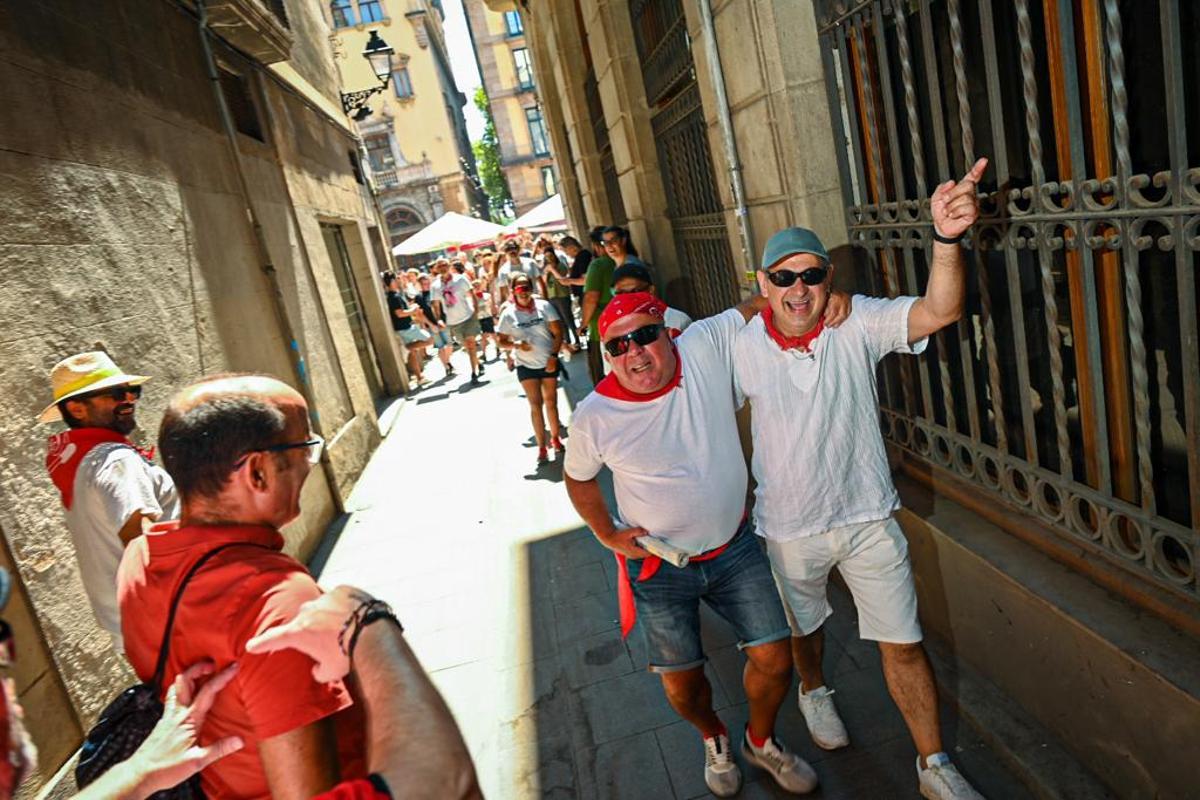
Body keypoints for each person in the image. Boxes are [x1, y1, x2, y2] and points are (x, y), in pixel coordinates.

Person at [734, 159, 989, 800]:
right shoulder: (737, 341)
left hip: (868, 517)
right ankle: (815, 690)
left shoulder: (857, 323)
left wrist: (947, 239)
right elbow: (665, 356)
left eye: (813, 276)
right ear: (763, 283)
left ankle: (934, 767)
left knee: (903, 644)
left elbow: (939, 311)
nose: (800, 290)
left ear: (830, 281)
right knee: (804, 631)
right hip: (789, 528)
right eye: (784, 278)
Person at [563, 290, 851, 797]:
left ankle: (759, 741)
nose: (635, 352)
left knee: (775, 659)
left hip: (734, 549)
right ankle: (712, 736)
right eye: (618, 345)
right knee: (681, 682)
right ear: (607, 355)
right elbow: (579, 480)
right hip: (658, 566)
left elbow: (761, 301)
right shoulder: (595, 415)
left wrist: (824, 296)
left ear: (668, 333)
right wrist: (606, 532)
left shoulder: (700, 345)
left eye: (645, 335)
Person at [117, 374, 366, 799]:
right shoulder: (276, 599)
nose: (310, 461)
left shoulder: (139, 558)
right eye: (305, 446)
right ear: (257, 472)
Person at [77, 586, 481, 800]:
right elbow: (443, 780)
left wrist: (138, 774)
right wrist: (366, 624)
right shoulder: (272, 597)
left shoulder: (139, 558)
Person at [39, 351, 179, 652]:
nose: (129, 399)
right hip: (171, 623)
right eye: (117, 393)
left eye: (132, 391)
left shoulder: (81, 462)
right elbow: (143, 545)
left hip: (137, 629)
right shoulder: (117, 461)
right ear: (77, 409)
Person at [496, 274, 565, 464]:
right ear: (513, 291)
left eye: (526, 287)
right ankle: (542, 447)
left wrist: (553, 356)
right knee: (535, 405)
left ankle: (556, 439)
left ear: (531, 288)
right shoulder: (508, 314)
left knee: (551, 402)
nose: (523, 292)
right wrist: (516, 345)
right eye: (519, 288)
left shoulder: (544, 306)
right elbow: (500, 341)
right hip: (525, 365)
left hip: (547, 361)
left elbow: (558, 333)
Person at [610, 262, 692, 334]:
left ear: (650, 290)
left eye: (634, 291)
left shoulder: (678, 321)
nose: (627, 298)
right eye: (620, 293)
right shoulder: (611, 331)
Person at [579, 227, 615, 384]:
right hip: (625, 323)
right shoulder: (627, 260)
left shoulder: (598, 265)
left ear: (596, 245)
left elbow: (591, 297)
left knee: (602, 376)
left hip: (601, 328)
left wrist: (583, 324)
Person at [383, 272, 431, 387]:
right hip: (405, 328)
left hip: (405, 327)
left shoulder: (396, 295)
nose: (399, 281)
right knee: (430, 340)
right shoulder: (394, 297)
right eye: (396, 280)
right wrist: (413, 310)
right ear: (392, 282)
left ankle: (420, 378)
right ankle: (407, 347)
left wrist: (411, 311)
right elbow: (399, 314)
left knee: (413, 353)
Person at [440, 263, 483, 384]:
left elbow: (471, 294)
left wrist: (476, 311)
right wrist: (439, 319)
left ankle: (473, 373)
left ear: (449, 267)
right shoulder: (436, 285)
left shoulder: (460, 279)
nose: (442, 268)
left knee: (470, 344)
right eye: (439, 266)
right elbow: (435, 304)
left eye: (444, 265)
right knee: (467, 347)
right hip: (453, 322)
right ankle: (478, 363)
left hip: (468, 317)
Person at [537, 238, 581, 351]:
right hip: (552, 297)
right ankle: (568, 342)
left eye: (550, 256)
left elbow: (562, 278)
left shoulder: (561, 265)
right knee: (560, 322)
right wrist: (547, 272)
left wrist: (552, 269)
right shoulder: (546, 268)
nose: (549, 259)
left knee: (568, 319)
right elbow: (544, 282)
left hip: (562, 295)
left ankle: (577, 340)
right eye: (546, 257)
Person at [417, 272, 454, 378]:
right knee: (440, 346)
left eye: (427, 283)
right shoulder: (419, 297)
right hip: (431, 325)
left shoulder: (436, 291)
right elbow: (420, 314)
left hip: (442, 321)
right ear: (420, 284)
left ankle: (447, 362)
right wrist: (430, 324)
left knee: (449, 344)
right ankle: (447, 367)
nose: (426, 285)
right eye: (423, 283)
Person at [472, 278, 498, 361]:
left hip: (487, 317)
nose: (477, 287)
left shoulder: (487, 295)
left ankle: (492, 350)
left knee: (491, 335)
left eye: (478, 285)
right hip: (479, 318)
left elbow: (491, 305)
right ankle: (486, 353)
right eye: (475, 286)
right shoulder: (472, 298)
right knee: (485, 336)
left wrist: (494, 315)